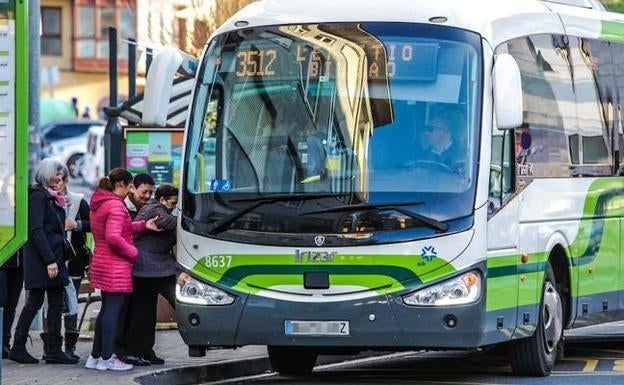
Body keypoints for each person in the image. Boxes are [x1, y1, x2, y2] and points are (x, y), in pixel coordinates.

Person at [86, 168, 160, 371]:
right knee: (113, 311)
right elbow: (114, 237)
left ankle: (95, 356)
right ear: (122, 184)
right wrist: (133, 253)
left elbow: (121, 228)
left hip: (102, 261)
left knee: (105, 310)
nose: (130, 191)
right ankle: (108, 358)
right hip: (116, 265)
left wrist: (144, 225)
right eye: (129, 186)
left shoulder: (100, 203)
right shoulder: (116, 207)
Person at [9, 159, 78, 364]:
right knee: (35, 302)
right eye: (56, 174)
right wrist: (50, 260)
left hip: (52, 258)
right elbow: (37, 230)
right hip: (44, 260)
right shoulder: (39, 197)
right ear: (45, 174)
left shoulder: (51, 197)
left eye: (61, 175)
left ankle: (53, 349)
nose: (59, 179)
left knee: (56, 302)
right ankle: (19, 346)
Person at [123, 184, 178, 365]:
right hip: (149, 269)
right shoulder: (155, 208)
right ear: (162, 199)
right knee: (174, 302)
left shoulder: (156, 207)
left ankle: (144, 350)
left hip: (151, 269)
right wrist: (189, 218)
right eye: (172, 203)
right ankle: (135, 351)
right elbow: (167, 222)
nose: (173, 207)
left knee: (146, 313)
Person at [59, 170, 91, 360]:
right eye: (53, 181)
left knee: (72, 303)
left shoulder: (78, 201)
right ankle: (52, 345)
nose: (57, 184)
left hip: (74, 261)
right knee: (52, 304)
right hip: (53, 262)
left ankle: (70, 346)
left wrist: (77, 224)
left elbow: (94, 223)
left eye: (60, 180)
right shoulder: (46, 200)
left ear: (66, 181)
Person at [1, 250, 23, 359]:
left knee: (11, 304)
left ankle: (5, 343)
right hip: (2, 256)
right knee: (1, 301)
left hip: (19, 261)